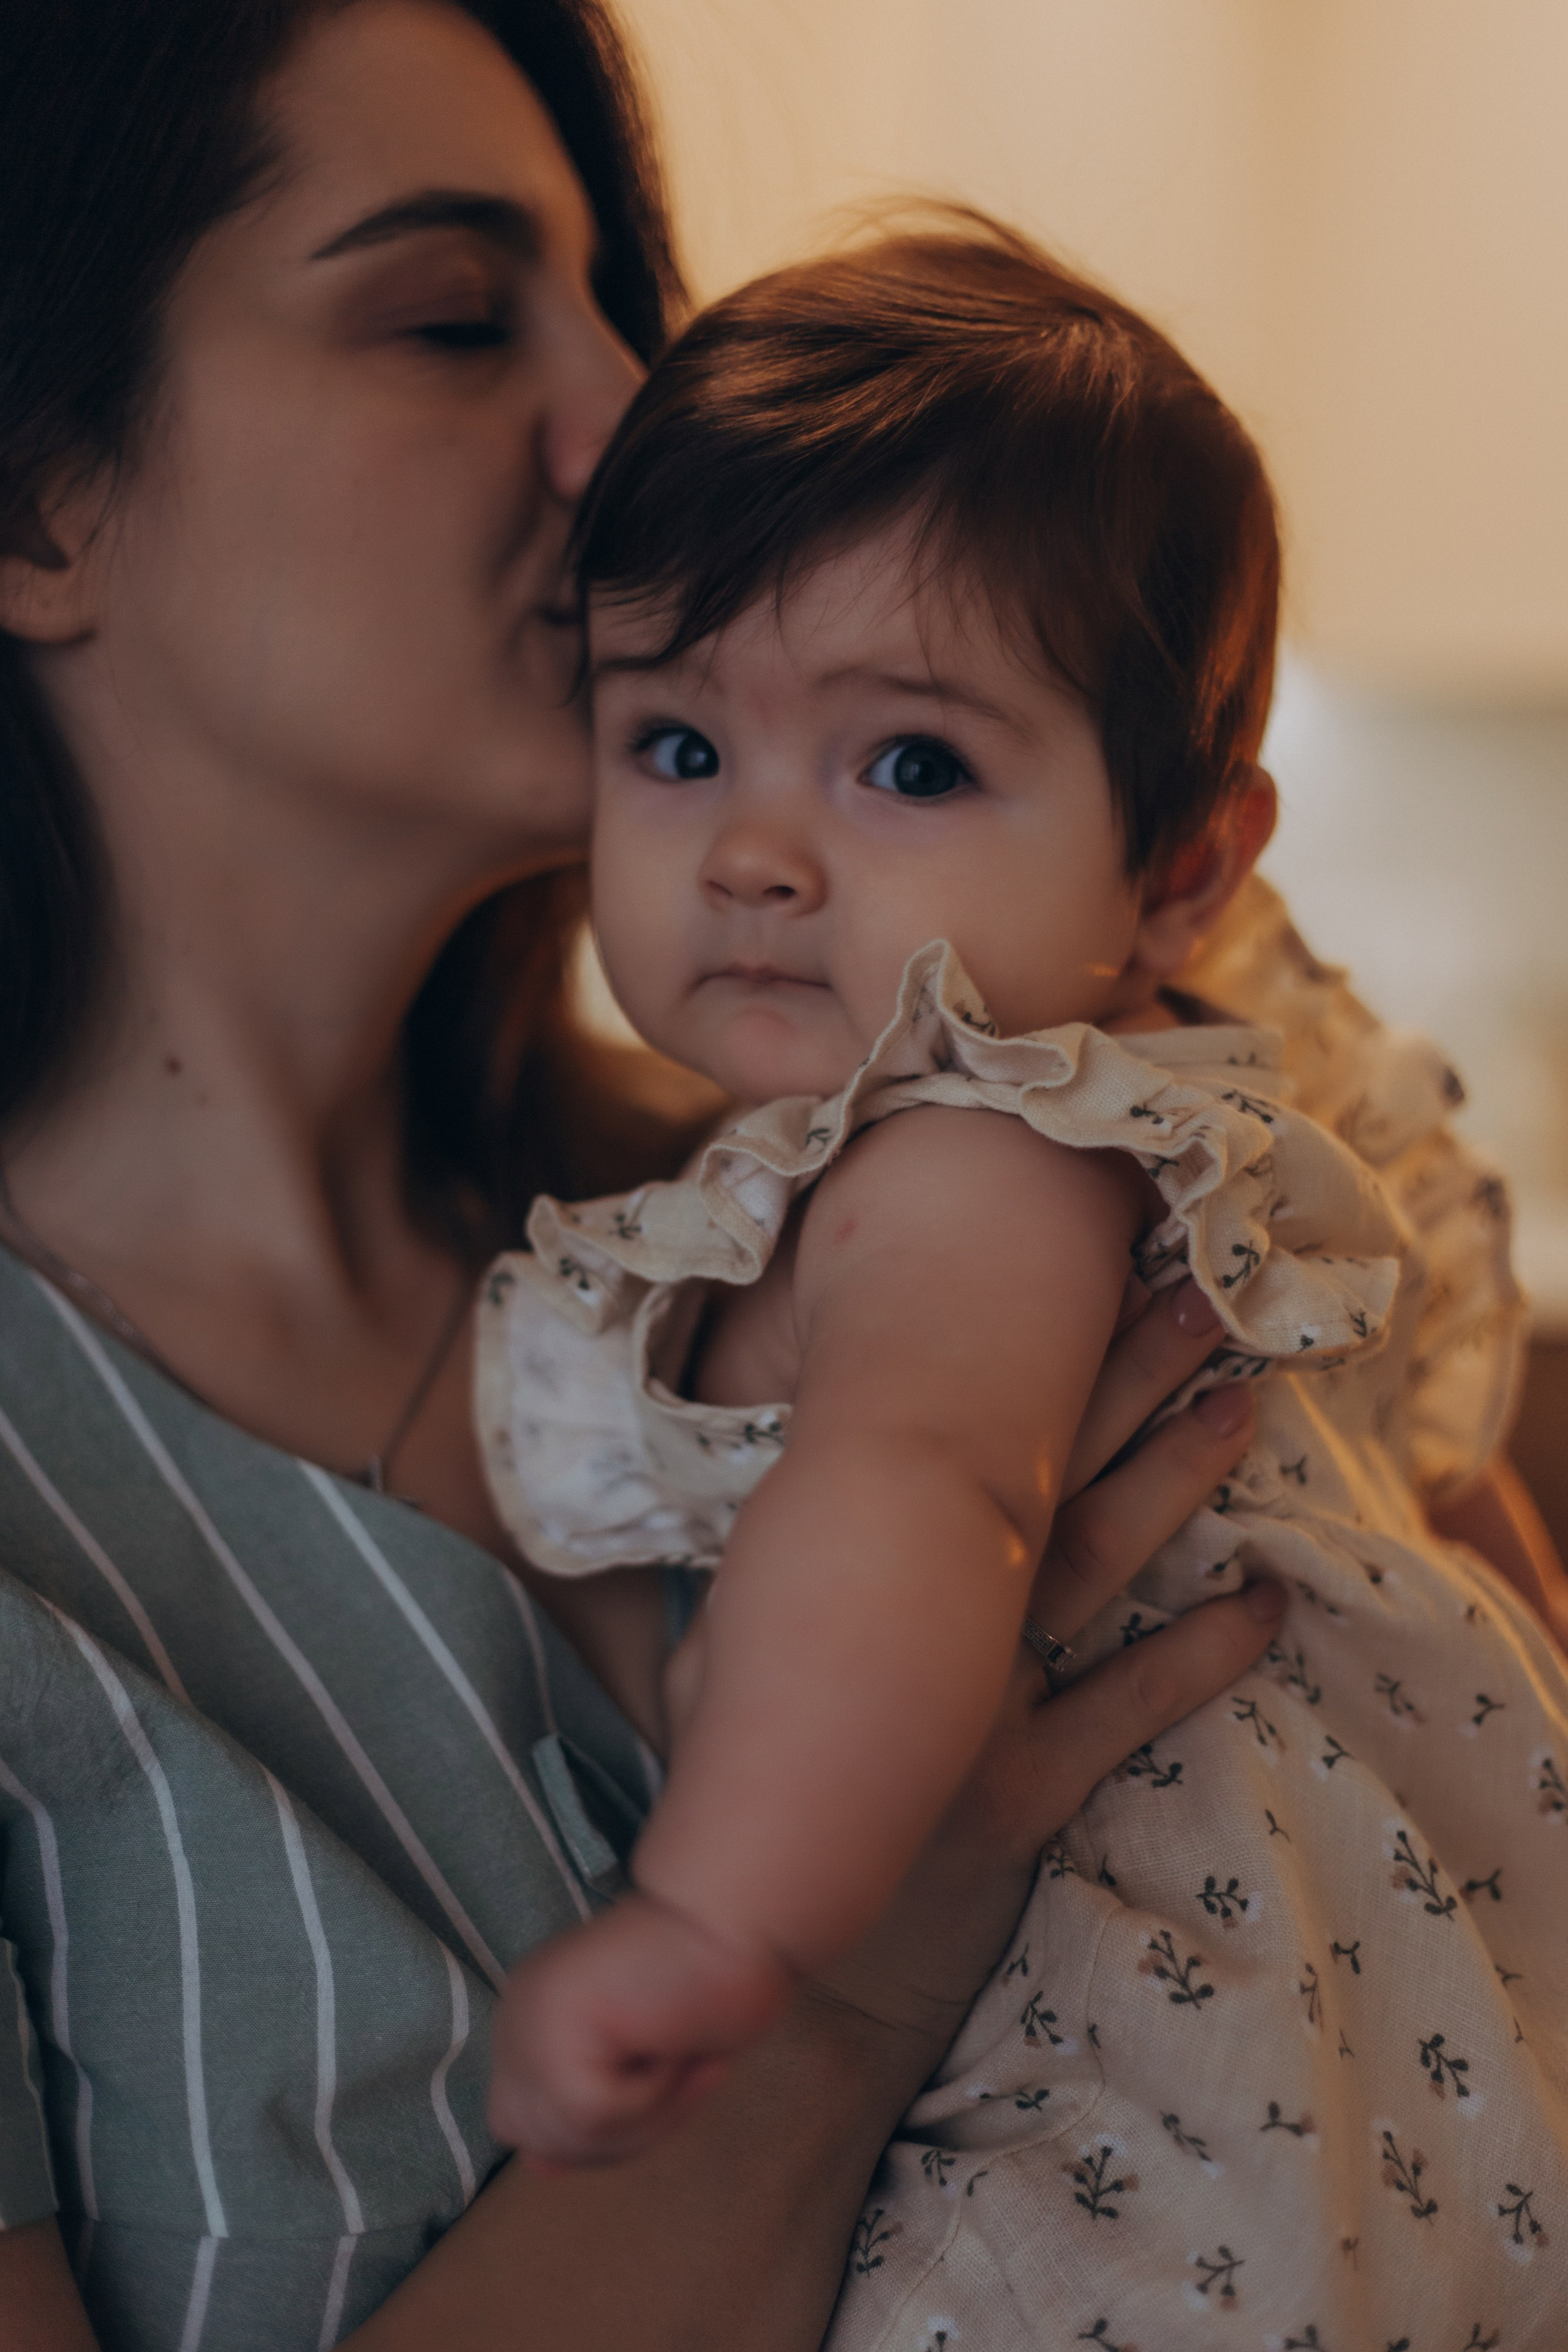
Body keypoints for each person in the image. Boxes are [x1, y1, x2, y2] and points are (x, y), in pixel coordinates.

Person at [0, 8, 1292, 2348]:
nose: (632, 433)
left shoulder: (848, 1197)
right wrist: (845, 1985)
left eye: (621, 305)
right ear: (35, 500)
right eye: (453, 316)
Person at [478, 223, 1568, 2345]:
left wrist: (719, 1917)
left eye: (908, 766)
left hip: (1145, 2131)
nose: (757, 854)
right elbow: (1456, 1509)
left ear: (1181, 870)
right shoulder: (1155, 1116)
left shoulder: (979, 1148)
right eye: (679, 746)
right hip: (1396, 2087)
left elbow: (920, 1500)